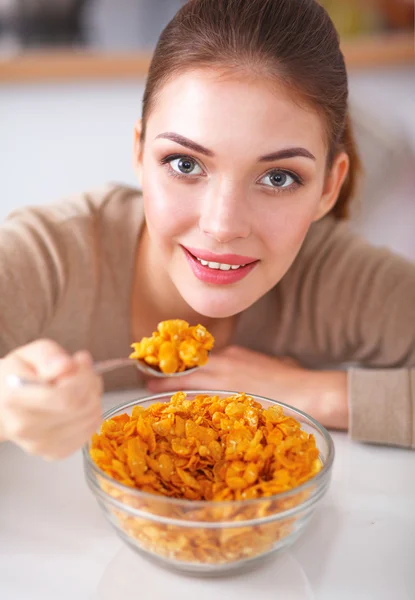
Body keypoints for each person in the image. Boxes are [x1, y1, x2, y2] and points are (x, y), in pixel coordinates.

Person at [0, 0, 413, 460]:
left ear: (328, 188)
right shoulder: (48, 256)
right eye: (185, 164)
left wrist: (314, 393)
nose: (222, 225)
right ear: (139, 153)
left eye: (278, 178)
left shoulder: (337, 277)